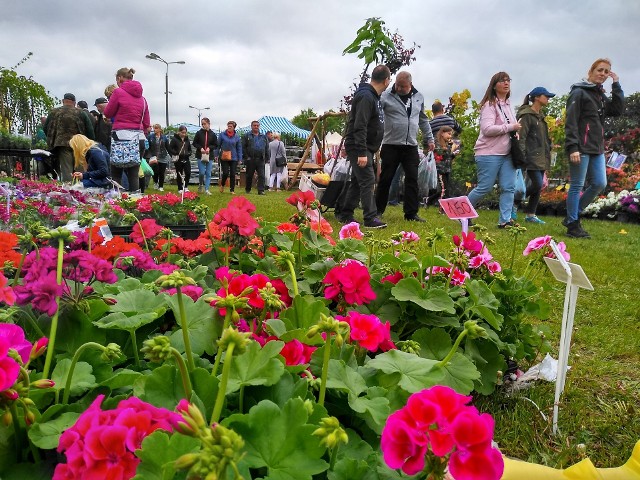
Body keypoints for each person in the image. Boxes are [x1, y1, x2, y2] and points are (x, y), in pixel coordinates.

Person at [563, 58, 624, 238]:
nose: (603, 74)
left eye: (606, 72)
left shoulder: (599, 94)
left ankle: (571, 216)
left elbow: (616, 110)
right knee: (577, 185)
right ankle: (573, 225)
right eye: (600, 70)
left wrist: (617, 85)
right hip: (580, 147)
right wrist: (573, 147)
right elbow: (571, 121)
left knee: (599, 183)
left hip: (597, 147)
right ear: (591, 71)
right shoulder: (579, 92)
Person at [375, 71, 435, 222]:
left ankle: (411, 213)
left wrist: (429, 138)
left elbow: (423, 120)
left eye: (403, 86)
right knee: (385, 179)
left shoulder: (418, 97)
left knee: (412, 180)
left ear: (410, 84)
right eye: (397, 85)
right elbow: (377, 116)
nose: (399, 88)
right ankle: (377, 211)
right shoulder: (386, 96)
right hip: (391, 145)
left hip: (411, 146)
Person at [340, 64, 391, 229]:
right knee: (368, 180)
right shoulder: (366, 97)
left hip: (366, 147)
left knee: (358, 181)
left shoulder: (373, 97)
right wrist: (362, 151)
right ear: (386, 81)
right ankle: (370, 218)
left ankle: (345, 213)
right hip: (359, 146)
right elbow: (360, 126)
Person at [467, 72, 521, 228]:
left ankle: (505, 220)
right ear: (494, 85)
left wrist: (515, 132)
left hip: (508, 153)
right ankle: (464, 213)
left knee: (509, 187)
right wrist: (511, 127)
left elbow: (511, 127)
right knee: (484, 187)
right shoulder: (489, 105)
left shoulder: (508, 104)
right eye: (502, 81)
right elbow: (487, 129)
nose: (506, 83)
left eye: (508, 80)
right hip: (489, 152)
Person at [103, 67, 151, 192]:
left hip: (121, 137)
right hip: (139, 138)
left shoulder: (118, 93)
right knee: (133, 174)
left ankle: (118, 203)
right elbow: (146, 123)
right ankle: (134, 202)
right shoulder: (143, 99)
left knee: (116, 173)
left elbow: (108, 112)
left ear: (119, 78)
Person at [516, 86, 555, 225]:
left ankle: (531, 214)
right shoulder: (527, 115)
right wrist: (521, 156)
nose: (548, 99)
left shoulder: (541, 117)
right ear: (537, 97)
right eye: (546, 96)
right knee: (537, 184)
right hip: (531, 156)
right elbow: (521, 137)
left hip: (542, 156)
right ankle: (515, 203)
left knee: (539, 186)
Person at [44, 92, 95, 181]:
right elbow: (89, 129)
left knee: (66, 169)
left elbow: (45, 127)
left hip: (62, 144)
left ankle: (68, 190)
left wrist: (53, 138)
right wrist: (91, 143)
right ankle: (80, 189)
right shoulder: (81, 112)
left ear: (63, 101)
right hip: (79, 144)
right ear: (74, 102)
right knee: (79, 168)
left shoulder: (54, 112)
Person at [433, 126, 459, 203]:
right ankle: (443, 208)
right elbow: (440, 154)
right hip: (440, 170)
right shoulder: (437, 144)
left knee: (446, 189)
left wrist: (453, 154)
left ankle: (428, 200)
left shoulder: (447, 144)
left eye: (451, 134)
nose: (450, 136)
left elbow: (448, 157)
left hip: (447, 169)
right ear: (442, 133)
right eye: (449, 134)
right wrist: (452, 148)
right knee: (443, 190)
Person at [242, 120, 269, 195]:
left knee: (262, 175)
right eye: (254, 125)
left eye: (257, 125)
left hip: (260, 159)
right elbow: (243, 147)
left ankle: (261, 190)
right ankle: (248, 189)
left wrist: (267, 157)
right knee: (249, 175)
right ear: (251, 126)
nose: (256, 127)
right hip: (251, 158)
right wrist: (246, 157)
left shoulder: (263, 136)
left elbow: (267, 147)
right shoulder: (247, 136)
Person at [192, 117, 218, 195]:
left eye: (204, 124)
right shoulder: (198, 133)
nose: (203, 125)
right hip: (200, 155)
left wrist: (210, 148)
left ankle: (207, 189)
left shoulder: (213, 134)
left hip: (209, 156)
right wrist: (200, 148)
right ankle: (200, 184)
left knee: (208, 173)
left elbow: (215, 145)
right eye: (202, 124)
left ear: (208, 124)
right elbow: (194, 143)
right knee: (202, 172)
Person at [217, 121, 242, 194]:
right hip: (224, 156)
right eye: (228, 126)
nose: (229, 127)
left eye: (231, 126)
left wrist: (240, 158)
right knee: (225, 173)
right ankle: (222, 184)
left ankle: (232, 189)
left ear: (234, 127)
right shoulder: (222, 135)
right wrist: (216, 154)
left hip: (234, 157)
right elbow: (218, 145)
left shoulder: (237, 137)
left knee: (233, 173)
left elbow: (239, 148)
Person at [146, 124, 170, 191]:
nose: (154, 130)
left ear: (159, 129)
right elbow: (148, 147)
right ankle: (156, 182)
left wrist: (172, 155)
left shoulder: (164, 137)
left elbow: (168, 147)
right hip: (154, 157)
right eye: (154, 128)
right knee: (155, 171)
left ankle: (161, 186)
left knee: (162, 172)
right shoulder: (150, 137)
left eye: (156, 128)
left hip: (163, 156)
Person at [168, 126, 192, 193]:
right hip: (178, 159)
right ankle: (180, 188)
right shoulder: (175, 139)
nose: (184, 134)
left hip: (186, 158)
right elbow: (170, 148)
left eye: (185, 132)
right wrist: (175, 153)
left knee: (188, 172)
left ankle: (186, 186)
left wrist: (189, 153)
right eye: (182, 132)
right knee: (179, 173)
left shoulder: (187, 139)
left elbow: (189, 149)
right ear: (179, 132)